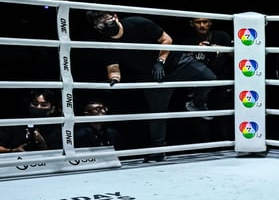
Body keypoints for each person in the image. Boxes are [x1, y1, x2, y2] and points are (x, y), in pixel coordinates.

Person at [84, 10, 218, 162]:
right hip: (152, 76)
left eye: (106, 19)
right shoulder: (106, 43)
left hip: (175, 62)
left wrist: (160, 62)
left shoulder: (137, 22)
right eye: (99, 23)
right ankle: (158, 150)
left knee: (209, 78)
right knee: (157, 114)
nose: (104, 24)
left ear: (115, 16)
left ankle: (196, 103)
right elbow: (113, 68)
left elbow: (166, 39)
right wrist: (114, 80)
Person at [182, 16, 234, 140]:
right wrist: (195, 50)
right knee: (200, 127)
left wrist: (220, 48)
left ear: (210, 23)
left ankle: (225, 147)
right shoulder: (188, 41)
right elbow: (180, 62)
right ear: (191, 23)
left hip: (223, 85)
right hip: (200, 89)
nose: (202, 25)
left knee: (225, 123)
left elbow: (239, 54)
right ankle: (203, 147)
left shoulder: (221, 36)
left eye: (205, 22)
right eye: (198, 22)